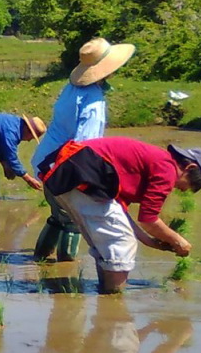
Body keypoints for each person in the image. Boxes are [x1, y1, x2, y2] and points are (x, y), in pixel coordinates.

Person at [38, 136, 201, 294]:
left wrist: (150, 242)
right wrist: (179, 241)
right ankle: (114, 302)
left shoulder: (156, 161)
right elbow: (149, 219)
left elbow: (121, 211)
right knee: (122, 243)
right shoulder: (167, 168)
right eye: (184, 185)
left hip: (70, 175)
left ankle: (106, 293)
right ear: (188, 168)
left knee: (110, 243)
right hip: (83, 175)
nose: (177, 188)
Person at [31, 38, 135, 262]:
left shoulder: (70, 88)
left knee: (59, 215)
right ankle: (65, 273)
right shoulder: (93, 100)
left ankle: (39, 260)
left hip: (43, 162)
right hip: (63, 165)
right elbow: (86, 146)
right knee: (73, 220)